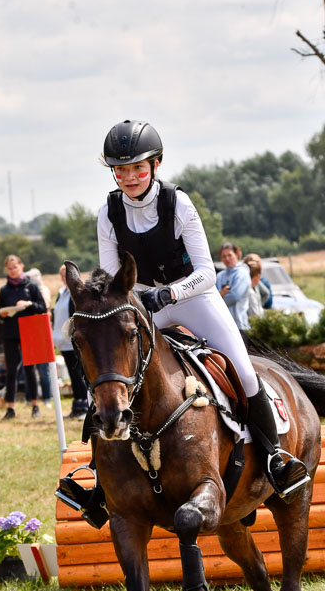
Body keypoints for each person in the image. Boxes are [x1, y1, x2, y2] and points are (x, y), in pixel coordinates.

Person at [59, 119, 310, 527]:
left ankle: (274, 460)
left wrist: (171, 293)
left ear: (155, 164)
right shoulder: (108, 211)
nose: (129, 177)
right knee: (112, 373)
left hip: (193, 297)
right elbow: (110, 278)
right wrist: (133, 299)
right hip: (142, 304)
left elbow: (207, 272)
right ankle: (99, 484)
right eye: (120, 170)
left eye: (137, 168)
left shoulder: (178, 203)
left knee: (243, 370)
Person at [0, 255, 47, 420]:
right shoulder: (4, 290)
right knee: (11, 371)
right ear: (6, 270)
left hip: (28, 331)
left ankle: (35, 404)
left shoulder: (31, 287)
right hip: (10, 333)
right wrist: (3, 313)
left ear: (21, 266)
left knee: (30, 370)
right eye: (9, 269)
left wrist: (28, 304)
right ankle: (10, 408)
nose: (12, 271)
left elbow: (42, 308)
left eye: (15, 267)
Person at [53, 263, 88, 420]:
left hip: (73, 339)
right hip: (62, 341)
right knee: (72, 376)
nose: (64, 279)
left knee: (81, 374)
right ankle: (77, 405)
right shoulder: (62, 293)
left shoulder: (79, 293)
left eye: (66, 275)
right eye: (62, 276)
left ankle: (86, 407)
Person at [25, 268, 52, 407]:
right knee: (28, 367)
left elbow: (44, 306)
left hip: (42, 331)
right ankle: (30, 398)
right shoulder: (27, 290)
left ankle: (47, 397)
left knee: (43, 369)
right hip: (30, 330)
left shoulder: (43, 290)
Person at [215, 243, 251, 329]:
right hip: (223, 324)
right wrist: (221, 294)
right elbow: (211, 297)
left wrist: (219, 296)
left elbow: (235, 296)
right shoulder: (219, 276)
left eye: (229, 255)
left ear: (237, 255)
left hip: (239, 325)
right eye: (224, 256)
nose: (227, 259)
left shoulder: (242, 273)